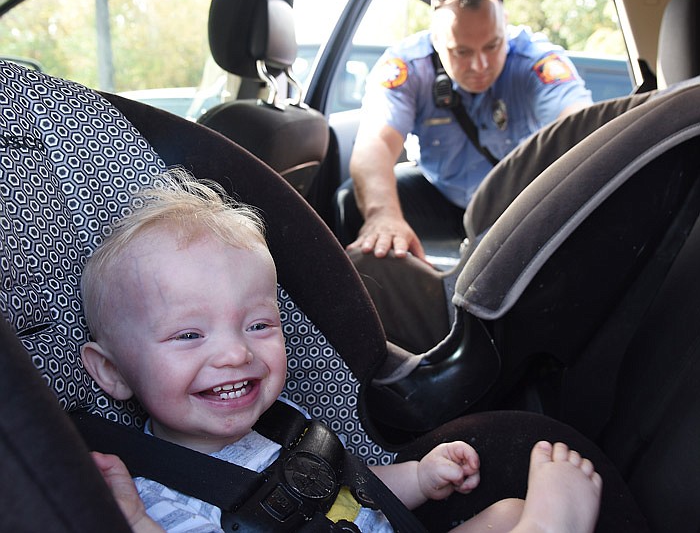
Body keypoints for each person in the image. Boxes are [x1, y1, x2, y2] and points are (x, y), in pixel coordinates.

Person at [79, 169, 602, 533]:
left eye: (259, 324)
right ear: (113, 372)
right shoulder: (159, 494)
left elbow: (348, 490)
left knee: (509, 513)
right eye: (189, 335)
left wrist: (419, 478)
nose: (236, 355)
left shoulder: (283, 424)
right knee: (531, 522)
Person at [337, 0, 592, 260]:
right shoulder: (407, 67)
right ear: (435, 40)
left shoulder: (536, 61)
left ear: (504, 26)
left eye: (493, 46)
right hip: (441, 195)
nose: (480, 65)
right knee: (351, 201)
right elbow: (376, 143)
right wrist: (383, 217)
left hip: (515, 204)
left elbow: (580, 127)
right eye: (462, 52)